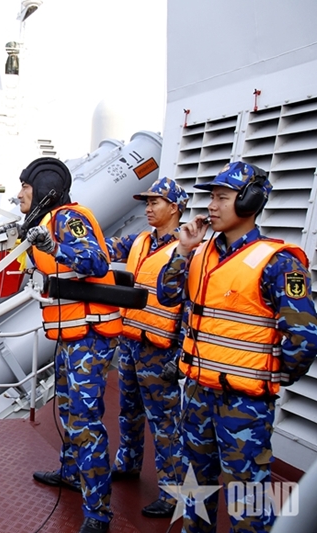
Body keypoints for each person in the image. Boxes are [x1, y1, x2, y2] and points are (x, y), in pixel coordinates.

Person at [157, 161, 317, 532]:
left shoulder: (278, 263)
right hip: (196, 395)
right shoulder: (199, 254)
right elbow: (167, 295)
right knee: (195, 496)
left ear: (250, 202)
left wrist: (269, 375)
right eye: (211, 197)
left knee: (249, 505)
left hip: (244, 405)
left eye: (222, 198)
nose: (211, 206)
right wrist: (183, 250)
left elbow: (304, 337)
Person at [20, 157, 122, 533]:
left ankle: (98, 513)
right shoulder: (48, 221)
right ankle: (70, 472)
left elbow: (95, 261)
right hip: (71, 336)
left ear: (44, 190)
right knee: (67, 411)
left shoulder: (67, 219)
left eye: (24, 187)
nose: (18, 194)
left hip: (90, 338)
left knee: (85, 422)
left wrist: (53, 246)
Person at [105, 177, 188, 519]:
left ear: (175, 207)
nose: (148, 208)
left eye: (155, 202)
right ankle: (128, 462)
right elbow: (105, 248)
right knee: (129, 411)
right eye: (147, 202)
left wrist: (181, 357)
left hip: (160, 351)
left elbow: (192, 309)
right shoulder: (140, 240)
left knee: (165, 423)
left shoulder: (188, 250)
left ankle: (173, 493)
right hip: (131, 343)